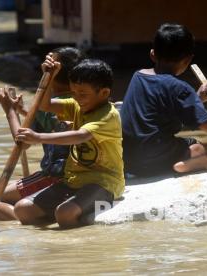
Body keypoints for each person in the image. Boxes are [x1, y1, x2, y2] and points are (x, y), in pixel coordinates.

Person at [120, 23, 207, 178]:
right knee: (197, 147)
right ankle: (184, 165)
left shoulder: (138, 76)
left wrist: (197, 98)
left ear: (152, 54)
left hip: (128, 159)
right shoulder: (179, 87)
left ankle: (177, 164)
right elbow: (204, 124)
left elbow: (165, 108)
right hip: (154, 160)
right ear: (187, 60)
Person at [13, 58, 125, 229]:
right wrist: (49, 77)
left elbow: (80, 135)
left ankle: (77, 244)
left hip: (103, 182)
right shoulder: (76, 105)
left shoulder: (108, 116)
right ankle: (55, 241)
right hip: (73, 181)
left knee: (64, 213)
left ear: (103, 93)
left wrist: (38, 137)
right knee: (23, 210)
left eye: (83, 94)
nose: (77, 98)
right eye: (74, 93)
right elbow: (45, 105)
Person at [0, 47, 84, 221]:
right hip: (55, 173)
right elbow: (50, 122)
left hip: (55, 176)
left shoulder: (50, 107)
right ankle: (41, 211)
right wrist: (26, 112)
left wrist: (11, 112)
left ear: (51, 76)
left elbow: (23, 144)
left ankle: (37, 216)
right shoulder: (82, 102)